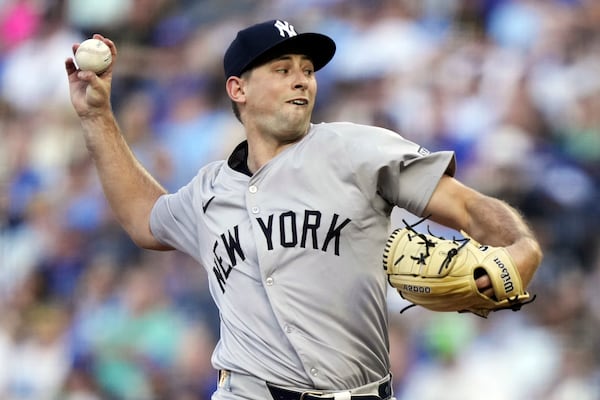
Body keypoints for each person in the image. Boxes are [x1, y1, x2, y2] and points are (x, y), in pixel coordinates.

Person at [65, 19, 543, 400]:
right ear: (238, 90)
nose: (302, 81)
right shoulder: (208, 191)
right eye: (283, 69)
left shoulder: (356, 148)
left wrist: (519, 249)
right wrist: (97, 116)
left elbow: (468, 206)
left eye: (308, 70)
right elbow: (142, 219)